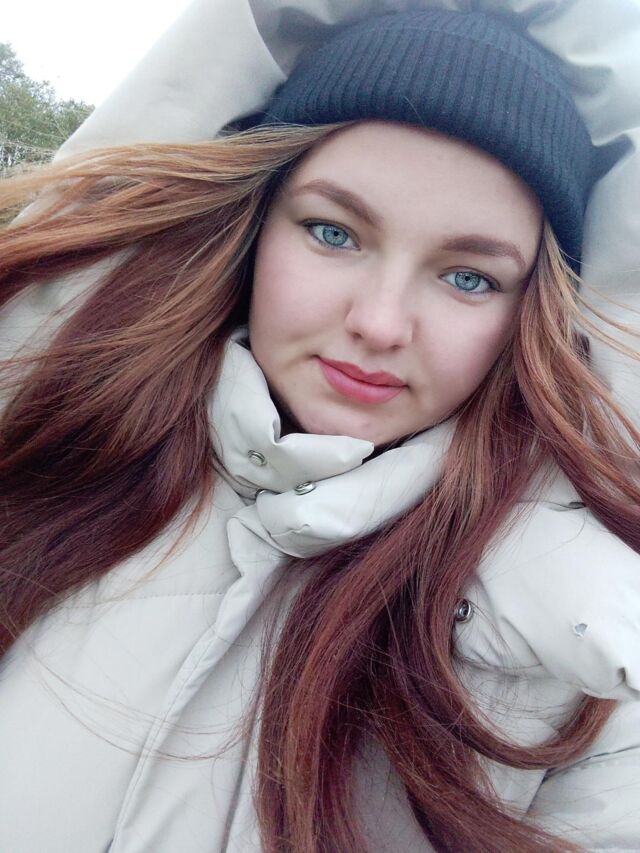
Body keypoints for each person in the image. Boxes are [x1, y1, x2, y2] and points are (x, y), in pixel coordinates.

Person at [0, 4, 639, 853]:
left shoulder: (593, 652)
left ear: (532, 314)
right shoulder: (47, 435)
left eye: (468, 278)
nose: (379, 323)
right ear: (253, 227)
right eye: (333, 232)